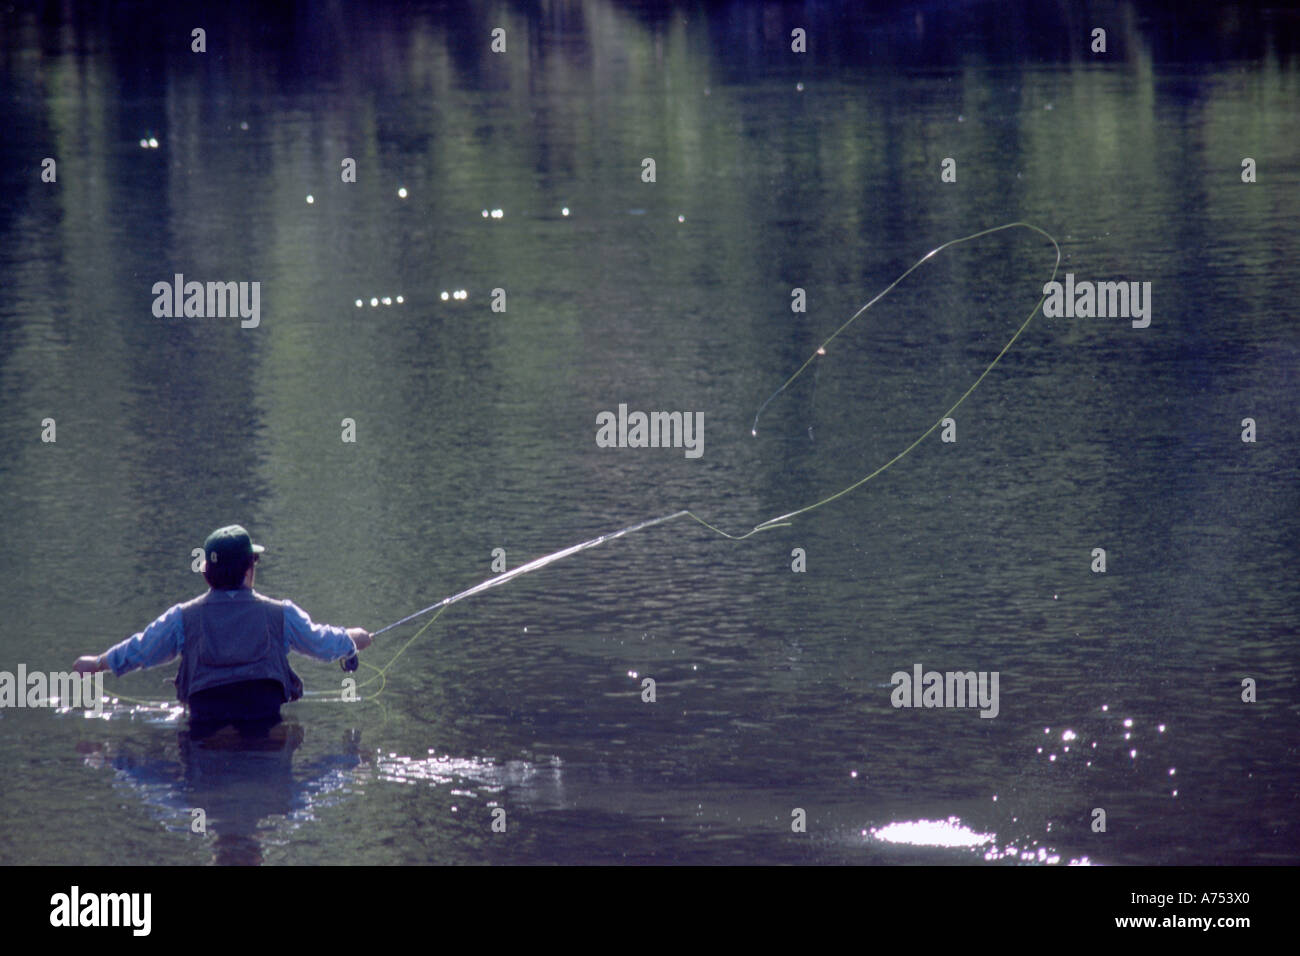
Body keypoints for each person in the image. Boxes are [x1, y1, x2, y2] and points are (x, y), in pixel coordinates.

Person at [74, 525, 371, 734]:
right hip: (262, 716)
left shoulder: (182, 618)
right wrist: (352, 640)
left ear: (206, 575)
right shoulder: (281, 614)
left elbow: (142, 649)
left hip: (205, 717)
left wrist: (99, 663)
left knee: (205, 750)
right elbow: (320, 642)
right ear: (249, 570)